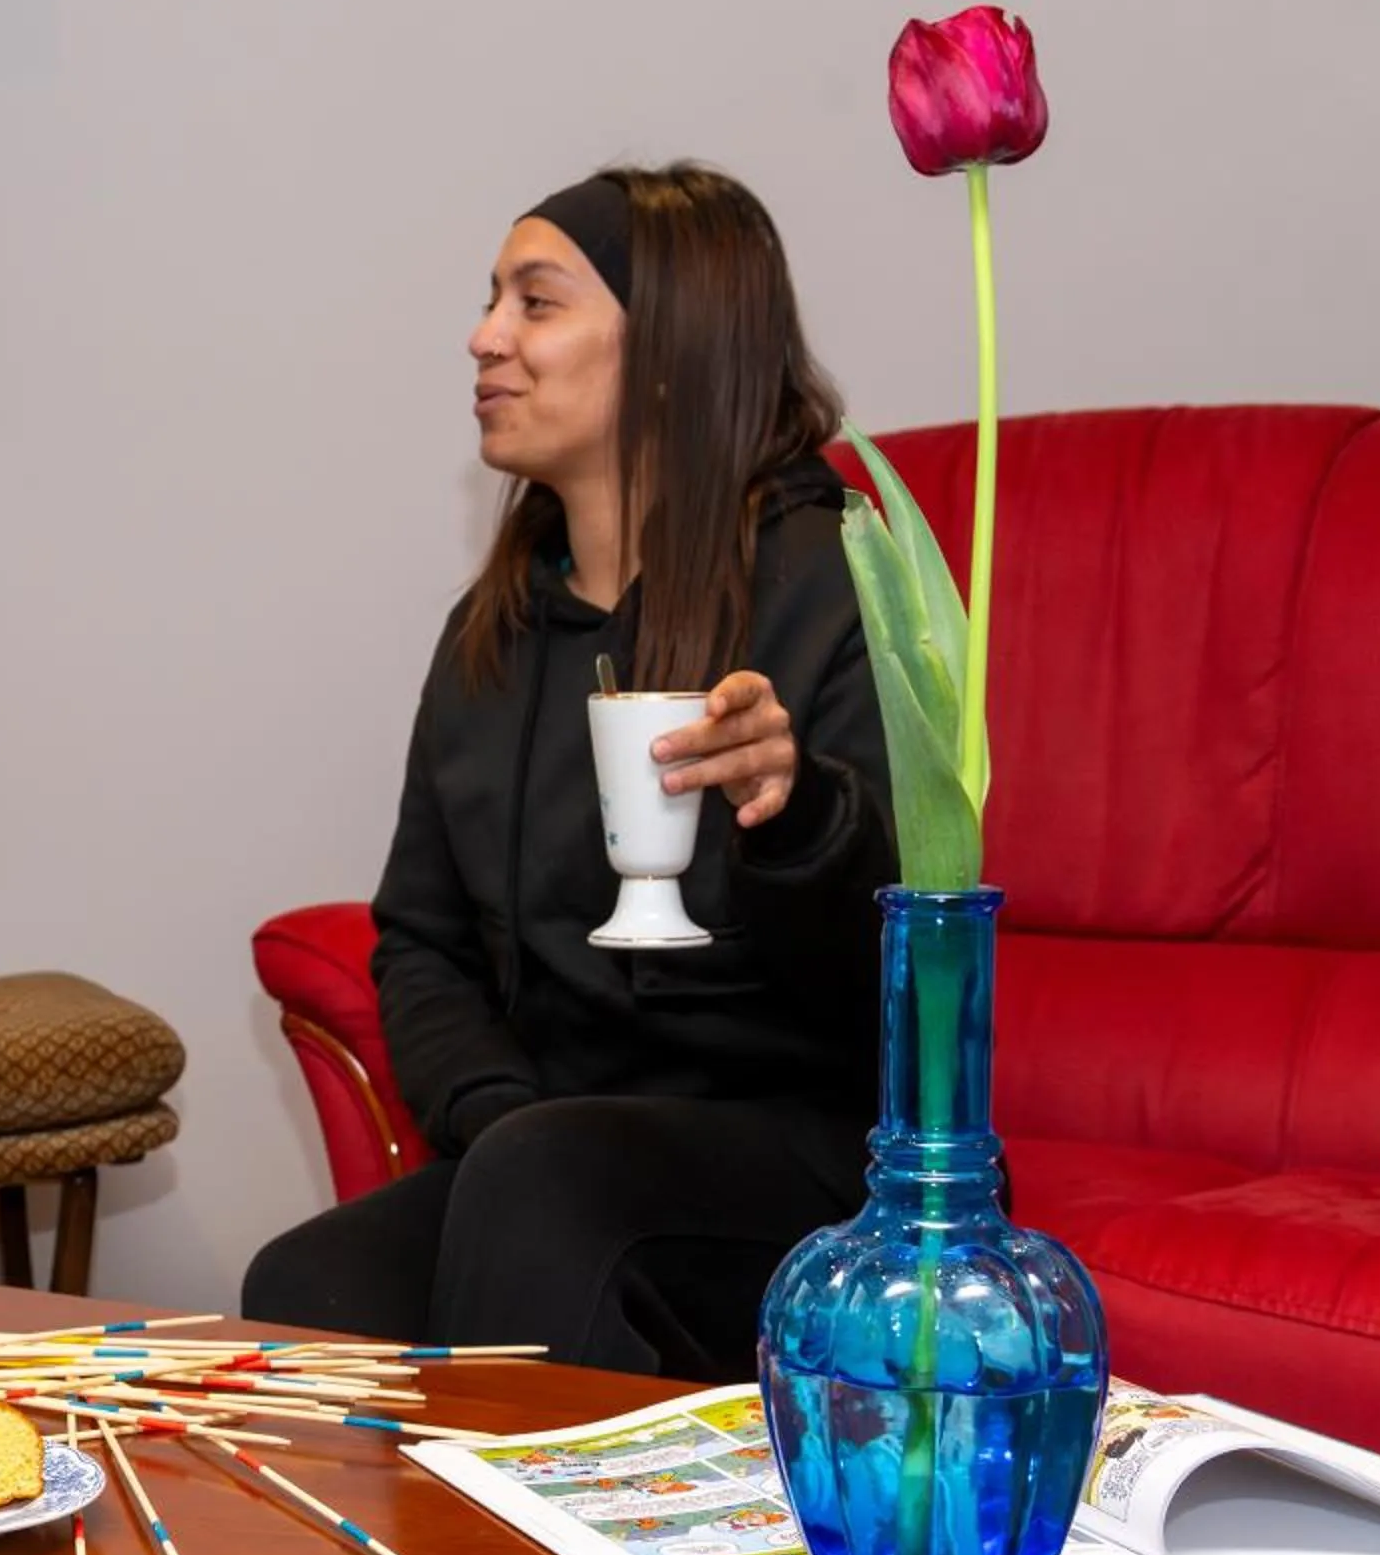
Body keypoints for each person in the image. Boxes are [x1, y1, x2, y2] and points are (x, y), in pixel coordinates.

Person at [241, 163, 897, 1381]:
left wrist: (797, 813)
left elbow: (906, 963)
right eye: (493, 300)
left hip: (813, 1161)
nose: (485, 337)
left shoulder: (836, 583)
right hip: (551, 1152)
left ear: (666, 353)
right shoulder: (489, 634)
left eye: (535, 303)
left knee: (548, 1188)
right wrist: (493, 1113)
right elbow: (419, 939)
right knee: (303, 1285)